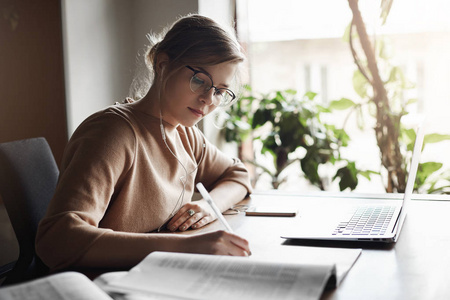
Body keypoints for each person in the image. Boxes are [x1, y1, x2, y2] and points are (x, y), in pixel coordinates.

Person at [36, 14, 252, 271]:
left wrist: (208, 206)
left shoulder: (185, 134)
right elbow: (58, 240)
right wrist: (187, 247)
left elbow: (238, 174)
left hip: (158, 273)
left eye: (219, 90)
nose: (209, 99)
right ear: (163, 65)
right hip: (109, 283)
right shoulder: (112, 133)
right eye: (200, 81)